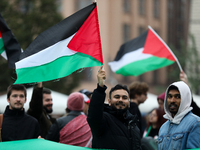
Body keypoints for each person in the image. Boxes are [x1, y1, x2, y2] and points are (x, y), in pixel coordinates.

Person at [87, 66, 142, 150]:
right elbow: (93, 115)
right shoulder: (104, 120)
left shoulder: (134, 126)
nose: (120, 100)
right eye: (117, 97)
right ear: (109, 102)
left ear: (129, 103)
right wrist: (100, 88)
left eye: (124, 98)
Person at [158, 81, 200, 150]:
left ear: (185, 99)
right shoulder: (163, 127)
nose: (172, 100)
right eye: (169, 96)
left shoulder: (195, 123)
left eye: (177, 97)